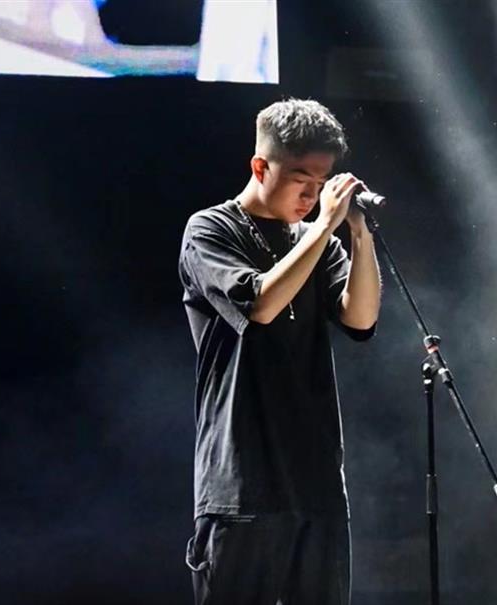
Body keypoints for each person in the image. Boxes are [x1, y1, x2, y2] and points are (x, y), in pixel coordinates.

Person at [178, 98, 381, 604]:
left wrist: (358, 233)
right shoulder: (210, 230)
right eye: (300, 180)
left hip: (316, 484)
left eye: (321, 182)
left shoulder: (319, 239)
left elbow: (360, 319)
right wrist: (325, 226)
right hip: (242, 486)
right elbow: (261, 305)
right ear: (260, 167)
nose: (312, 196)